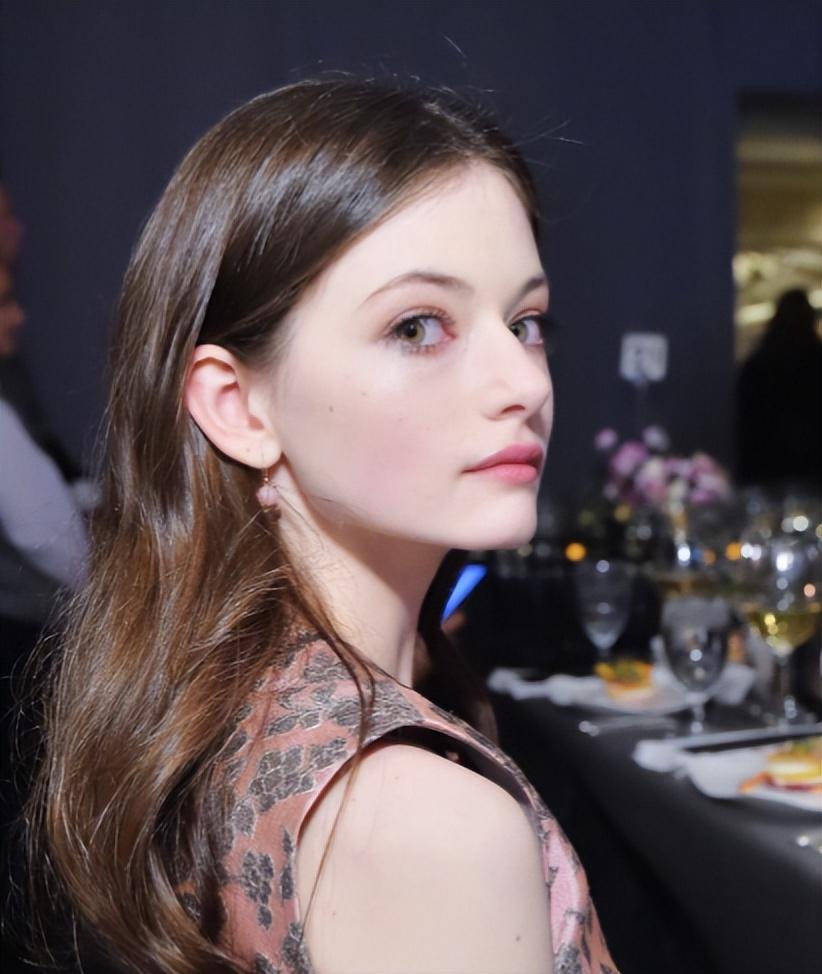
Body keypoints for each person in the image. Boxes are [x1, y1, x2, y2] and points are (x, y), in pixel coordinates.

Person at [25, 76, 618, 974]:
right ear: (238, 407)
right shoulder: (425, 824)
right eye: (417, 327)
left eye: (525, 322)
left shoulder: (219, 701)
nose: (525, 383)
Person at [735, 288, 822, 487]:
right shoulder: (815, 363)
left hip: (764, 467)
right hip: (807, 469)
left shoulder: (757, 365)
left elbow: (745, 422)